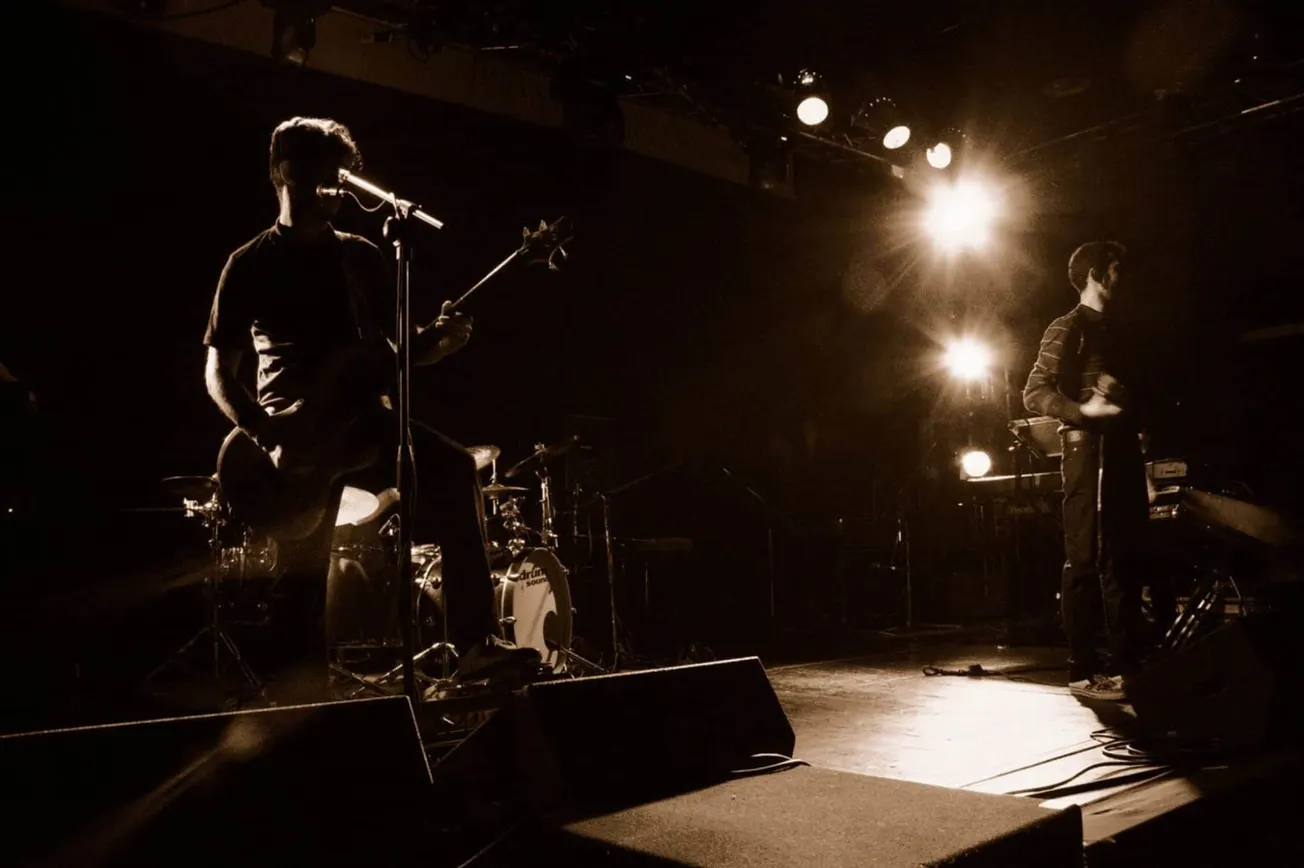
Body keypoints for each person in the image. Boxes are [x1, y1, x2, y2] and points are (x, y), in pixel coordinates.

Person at [203, 117, 539, 701]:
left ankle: (475, 647)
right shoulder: (250, 262)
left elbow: (396, 353)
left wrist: (439, 344)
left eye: (339, 175)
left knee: (455, 468)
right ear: (282, 171)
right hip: (295, 438)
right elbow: (217, 372)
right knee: (302, 578)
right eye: (317, 172)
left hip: (366, 423)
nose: (333, 187)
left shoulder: (362, 257)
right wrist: (264, 433)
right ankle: (296, 698)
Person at [1023, 241, 1154, 701]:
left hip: (1120, 452)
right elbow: (1034, 392)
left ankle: (1127, 667)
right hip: (1086, 451)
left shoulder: (1118, 330)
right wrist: (1083, 411)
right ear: (1098, 274)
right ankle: (1082, 667)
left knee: (1125, 557)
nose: (1125, 275)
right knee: (1086, 555)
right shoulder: (1067, 326)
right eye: (1118, 268)